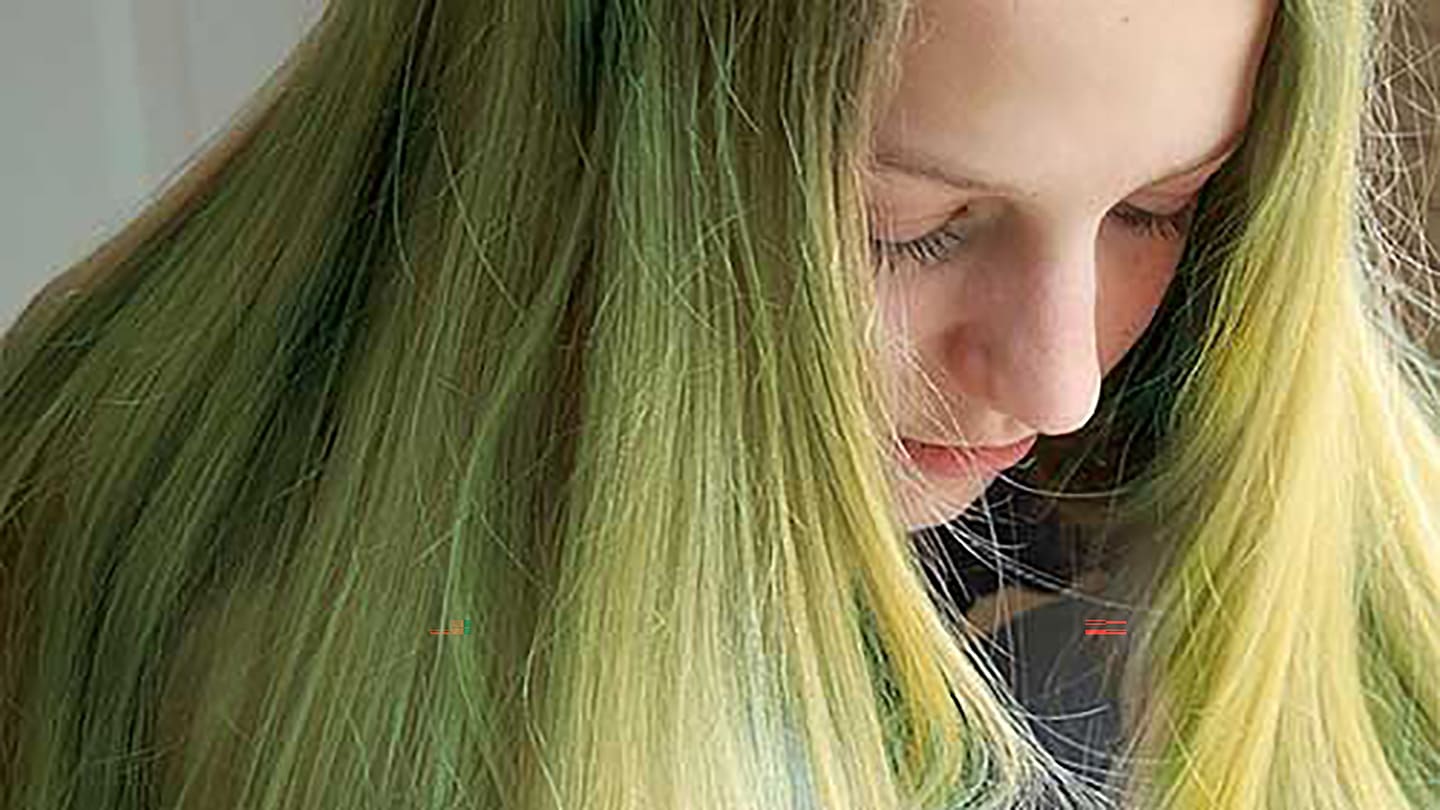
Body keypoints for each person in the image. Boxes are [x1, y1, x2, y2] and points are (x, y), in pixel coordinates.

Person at [1, 0, 1438, 807]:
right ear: (580, 152)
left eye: (1157, 209)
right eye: (908, 228)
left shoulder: (1304, 530)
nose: (1060, 384)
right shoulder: (209, 644)